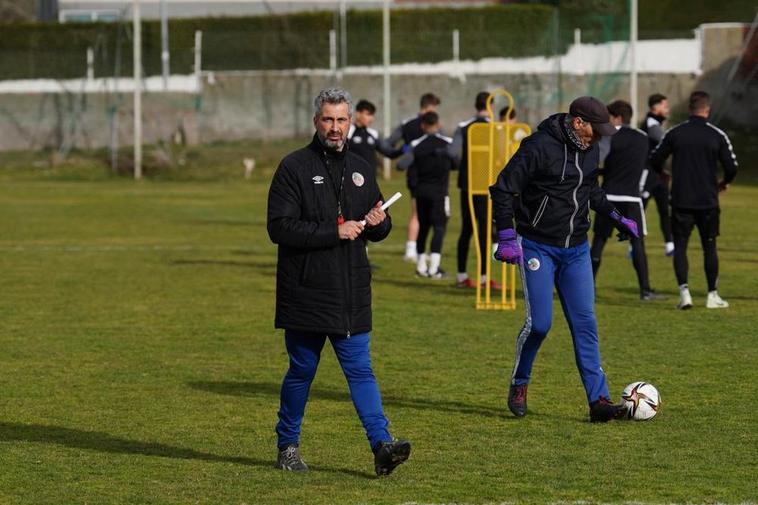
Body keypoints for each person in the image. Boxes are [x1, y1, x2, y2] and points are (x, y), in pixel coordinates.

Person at [267, 88, 411, 475]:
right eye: (328, 119)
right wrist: (335, 231)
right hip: (306, 292)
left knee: (362, 371)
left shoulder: (362, 166)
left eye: (341, 120)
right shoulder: (293, 167)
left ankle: (382, 446)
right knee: (301, 372)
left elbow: (376, 224)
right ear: (316, 121)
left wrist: (381, 225)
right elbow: (279, 227)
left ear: (351, 122)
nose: (335, 127)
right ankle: (288, 446)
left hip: (351, 294)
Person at [489, 96, 639, 422]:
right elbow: (502, 189)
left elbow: (590, 191)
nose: (598, 137)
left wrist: (617, 216)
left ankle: (599, 400)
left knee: (586, 323)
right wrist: (504, 235)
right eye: (594, 130)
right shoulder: (539, 147)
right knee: (540, 324)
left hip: (577, 251)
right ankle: (519, 382)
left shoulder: (591, 149)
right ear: (578, 123)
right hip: (537, 247)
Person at [649, 90, 738, 310]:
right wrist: (724, 182)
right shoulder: (717, 135)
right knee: (710, 247)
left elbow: (655, 158)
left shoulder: (675, 133)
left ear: (690, 109)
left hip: (681, 200)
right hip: (707, 201)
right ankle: (712, 295)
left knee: (680, 247)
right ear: (707, 110)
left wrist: (662, 172)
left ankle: (684, 293)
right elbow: (732, 166)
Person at [590, 100, 665, 301]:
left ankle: (588, 288)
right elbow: (648, 163)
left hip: (609, 197)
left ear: (618, 118)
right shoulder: (643, 138)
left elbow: (598, 159)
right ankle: (645, 291)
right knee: (637, 243)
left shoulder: (609, 135)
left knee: (599, 241)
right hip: (632, 198)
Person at [381, 92, 442, 262]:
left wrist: (400, 151)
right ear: (429, 106)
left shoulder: (406, 124)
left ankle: (417, 249)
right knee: (421, 213)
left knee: (420, 212)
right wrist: (402, 151)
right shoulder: (431, 124)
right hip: (426, 175)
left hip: (416, 175)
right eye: (434, 107)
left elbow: (387, 144)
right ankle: (412, 248)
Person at [450, 92, 500, 289]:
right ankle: (484, 278)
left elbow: (452, 152)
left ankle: (462, 275)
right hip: (487, 184)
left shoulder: (463, 127)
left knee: (467, 229)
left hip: (468, 184)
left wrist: (462, 166)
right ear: (491, 106)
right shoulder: (496, 127)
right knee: (485, 230)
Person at [399, 111, 455, 279]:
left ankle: (421, 266)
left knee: (423, 228)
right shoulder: (447, 143)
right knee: (439, 228)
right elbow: (456, 162)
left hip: (421, 192)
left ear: (423, 126)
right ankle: (434, 268)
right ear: (437, 124)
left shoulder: (416, 144)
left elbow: (402, 164)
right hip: (440, 192)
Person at [640, 93, 675, 256]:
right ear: (655, 107)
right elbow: (664, 143)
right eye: (665, 106)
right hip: (648, 175)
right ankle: (634, 245)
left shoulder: (657, 124)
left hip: (659, 175)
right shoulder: (650, 125)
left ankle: (669, 244)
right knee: (640, 209)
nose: (667, 109)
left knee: (664, 210)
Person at [347, 99, 396, 173]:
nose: (371, 118)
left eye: (372, 115)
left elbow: (389, 153)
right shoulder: (348, 132)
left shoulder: (373, 134)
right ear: (358, 114)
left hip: (370, 178)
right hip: (352, 177)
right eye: (368, 114)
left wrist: (404, 148)